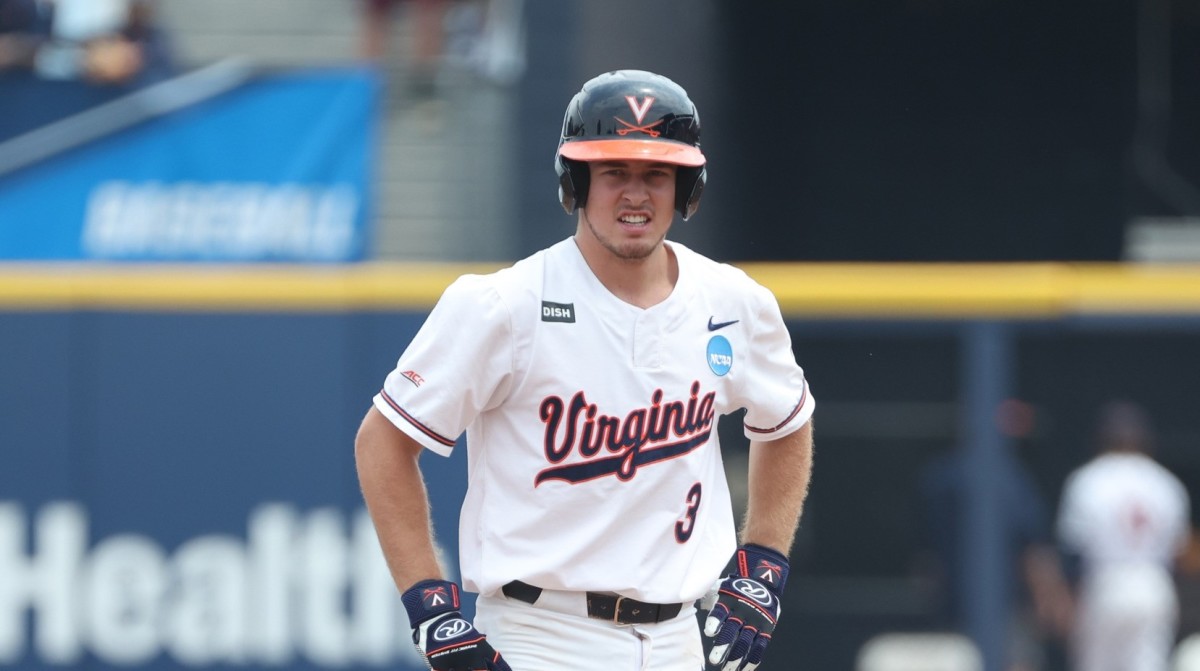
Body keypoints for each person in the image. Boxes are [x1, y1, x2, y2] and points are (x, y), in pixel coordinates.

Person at [354, 69, 816, 671]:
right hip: (539, 634)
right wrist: (431, 610)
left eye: (657, 174)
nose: (635, 193)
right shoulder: (503, 304)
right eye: (612, 171)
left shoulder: (734, 302)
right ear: (574, 180)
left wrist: (765, 565)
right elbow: (382, 443)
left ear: (687, 187)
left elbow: (786, 422)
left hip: (683, 638)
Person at [1056, 400, 1192, 671]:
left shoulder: (1088, 479)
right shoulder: (1165, 482)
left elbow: (1072, 550)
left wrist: (1068, 599)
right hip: (1153, 584)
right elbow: (1180, 550)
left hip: (1105, 583)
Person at [917, 437, 1073, 671]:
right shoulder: (1007, 475)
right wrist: (1050, 598)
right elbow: (1032, 549)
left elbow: (924, 561)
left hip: (953, 605)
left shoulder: (938, 478)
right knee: (1017, 660)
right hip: (1003, 605)